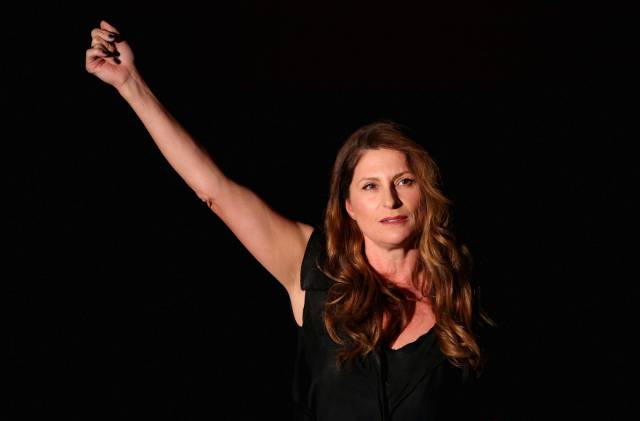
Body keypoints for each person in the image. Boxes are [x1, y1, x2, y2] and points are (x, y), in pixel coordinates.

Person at [86, 20, 496, 421]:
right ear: (349, 205)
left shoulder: (462, 291)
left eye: (404, 181)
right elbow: (215, 190)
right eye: (370, 186)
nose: (390, 200)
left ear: (425, 193)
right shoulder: (312, 266)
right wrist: (131, 85)